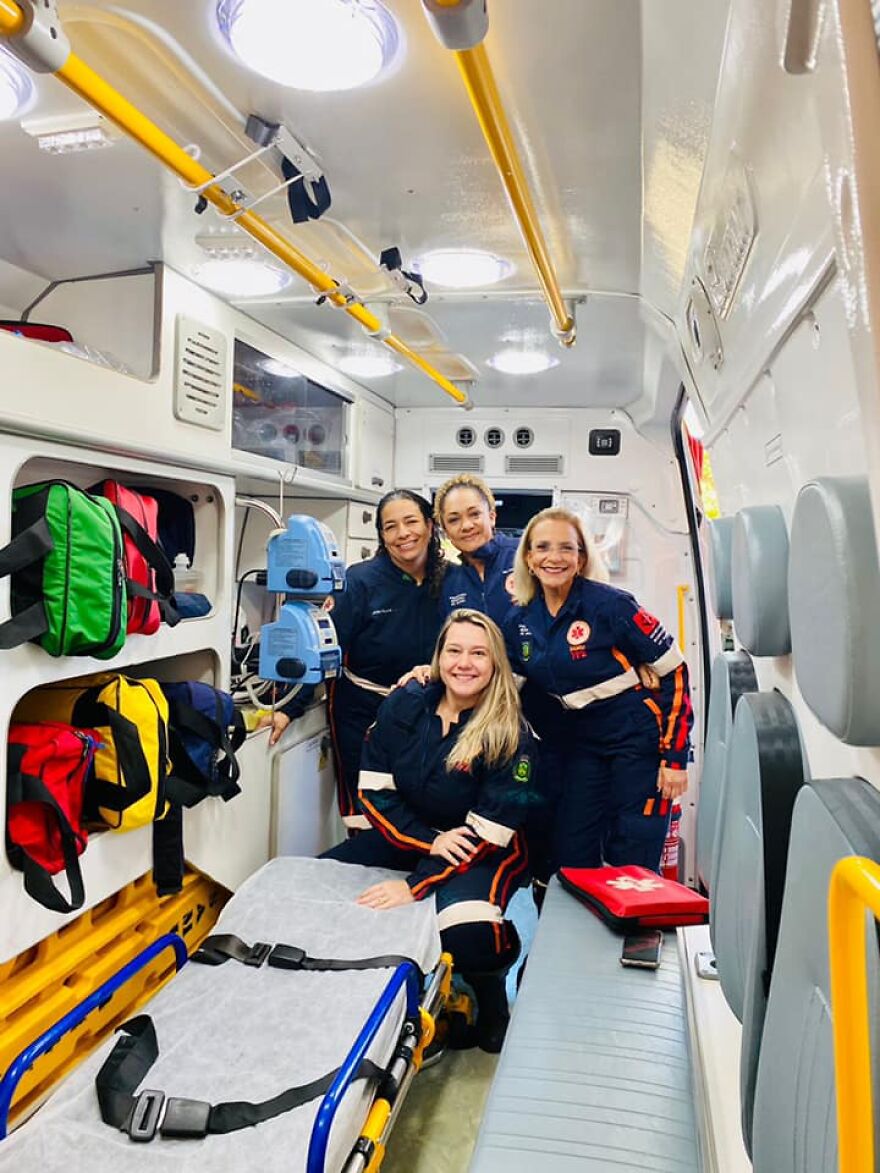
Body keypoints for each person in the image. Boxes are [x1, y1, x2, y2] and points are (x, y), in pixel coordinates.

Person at [323, 609, 538, 1052]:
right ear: (438, 656)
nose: (465, 663)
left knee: (467, 930)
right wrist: (428, 841)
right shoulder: (407, 701)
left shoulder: (510, 733)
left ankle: (492, 994)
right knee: (321, 879)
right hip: (417, 831)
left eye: (479, 653)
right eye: (454, 650)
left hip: (487, 845)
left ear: (496, 662)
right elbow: (375, 787)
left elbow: (488, 830)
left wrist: (417, 885)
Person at [503, 507, 692, 873]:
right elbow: (506, 689)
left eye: (566, 548)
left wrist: (674, 759)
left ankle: (634, 929)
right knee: (572, 851)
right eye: (542, 547)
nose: (553, 557)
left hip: (636, 740)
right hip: (582, 745)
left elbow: (676, 672)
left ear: (581, 557)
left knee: (633, 848)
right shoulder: (520, 620)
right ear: (528, 556)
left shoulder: (611, 605)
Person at [261, 490, 447, 829]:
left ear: (430, 525)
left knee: (423, 805)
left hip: (430, 710)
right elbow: (322, 648)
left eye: (411, 522)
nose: (402, 533)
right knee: (368, 811)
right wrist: (288, 707)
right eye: (390, 527)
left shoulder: (451, 579)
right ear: (381, 536)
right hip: (363, 711)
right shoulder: (359, 581)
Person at [433, 473, 520, 621]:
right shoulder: (448, 582)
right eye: (454, 520)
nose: (466, 526)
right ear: (445, 531)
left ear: (492, 517)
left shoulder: (525, 555)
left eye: (474, 514)